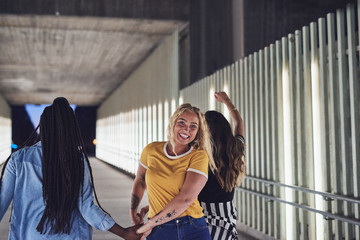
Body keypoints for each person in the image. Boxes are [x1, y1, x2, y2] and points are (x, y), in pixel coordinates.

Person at [0, 97, 141, 240]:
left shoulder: (18, 160)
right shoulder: (77, 160)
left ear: (43, 126)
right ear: (71, 127)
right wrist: (123, 233)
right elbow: (86, 207)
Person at [130, 103, 216, 240]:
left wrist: (148, 225)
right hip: (158, 229)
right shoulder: (151, 150)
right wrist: (133, 213)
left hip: (191, 226)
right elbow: (140, 181)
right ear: (173, 123)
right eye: (182, 123)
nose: (186, 129)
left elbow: (186, 199)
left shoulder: (198, 156)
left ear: (198, 131)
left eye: (193, 126)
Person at [198, 92, 246, 240]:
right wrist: (226, 101)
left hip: (201, 214)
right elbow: (238, 123)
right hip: (226, 214)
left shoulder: (198, 155)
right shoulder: (235, 149)